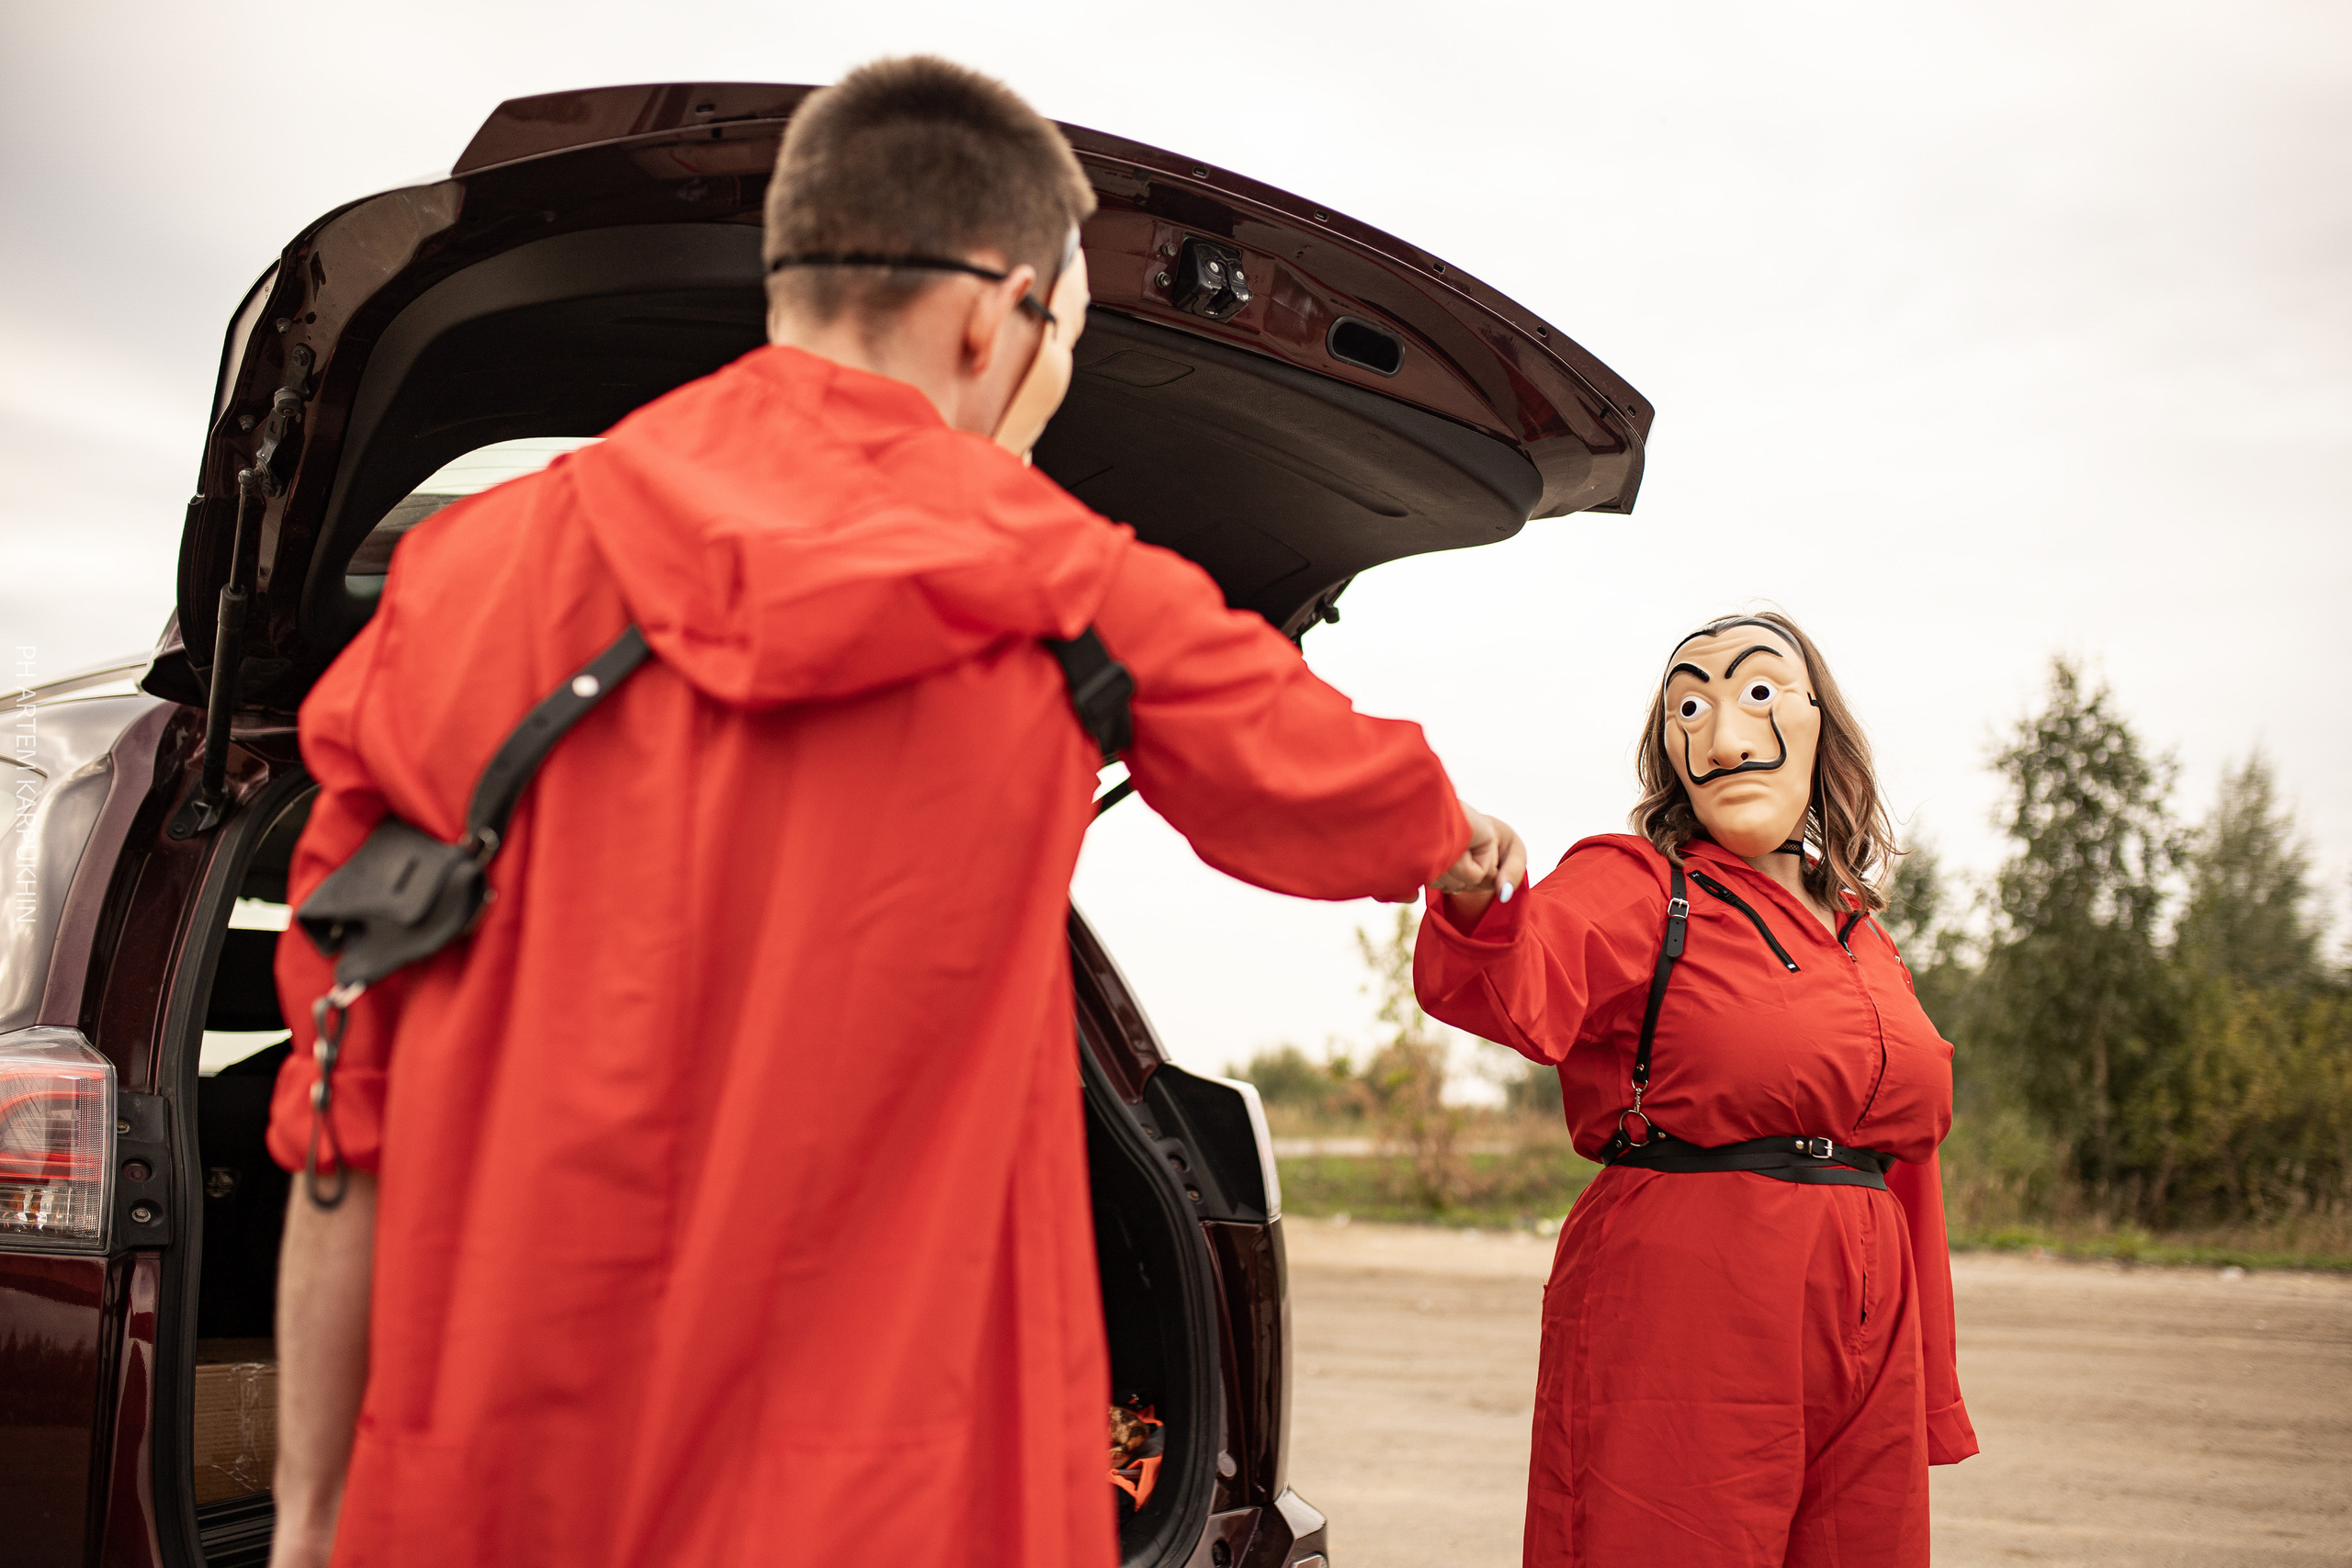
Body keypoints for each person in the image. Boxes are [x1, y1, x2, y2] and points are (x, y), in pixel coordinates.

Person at [264, 57, 1511, 1568]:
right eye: (1064, 336)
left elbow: (341, 1117)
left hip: (496, 1500)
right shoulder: (1075, 591)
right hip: (897, 1505)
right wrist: (1459, 838)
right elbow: (1333, 784)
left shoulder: (457, 587)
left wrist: (316, 1515)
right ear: (998, 313)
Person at [1415, 612, 1977, 1568]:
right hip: (1690, 1304)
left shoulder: (1864, 937)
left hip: (1867, 1326)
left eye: (1757, 692)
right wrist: (1478, 890)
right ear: (1672, 751)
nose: (1723, 732)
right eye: (1690, 703)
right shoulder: (1639, 885)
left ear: (1816, 725)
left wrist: (1924, 1382)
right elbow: (1519, 974)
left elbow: (1896, 1161)